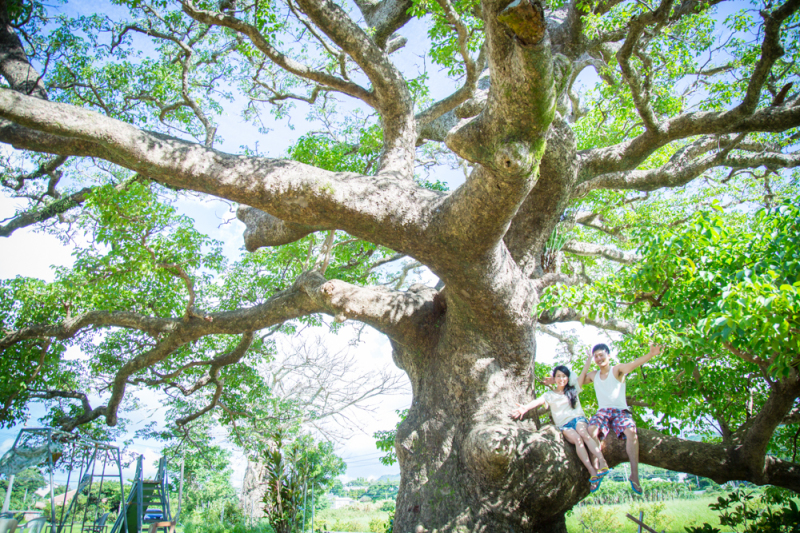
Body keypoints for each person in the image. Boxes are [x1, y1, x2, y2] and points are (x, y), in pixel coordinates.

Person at [578, 343, 663, 495]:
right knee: (591, 430)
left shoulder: (617, 370)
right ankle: (597, 470)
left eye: (601, 355)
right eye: (595, 356)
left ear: (608, 356)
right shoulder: (594, 374)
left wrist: (651, 354)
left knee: (631, 432)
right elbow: (579, 382)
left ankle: (634, 475)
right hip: (602, 412)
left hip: (619, 411)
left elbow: (633, 364)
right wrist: (587, 361)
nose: (598, 358)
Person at [511, 365, 611, 492]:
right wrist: (524, 408)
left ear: (568, 378)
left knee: (583, 433)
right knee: (577, 440)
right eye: (558, 376)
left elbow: (581, 373)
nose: (561, 379)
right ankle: (592, 471)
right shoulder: (550, 395)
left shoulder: (574, 389)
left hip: (578, 419)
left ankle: (602, 461)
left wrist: (589, 359)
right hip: (564, 425)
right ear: (554, 378)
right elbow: (538, 401)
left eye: (564, 376)